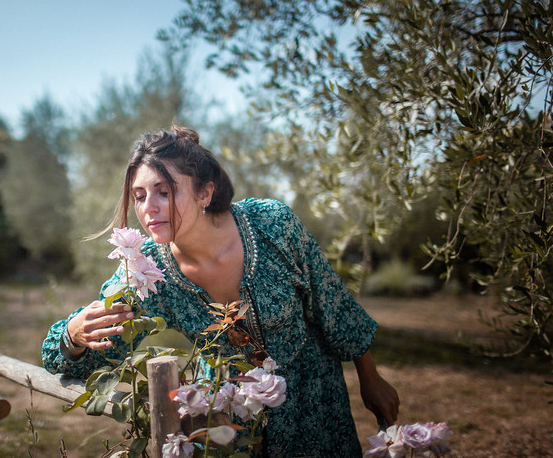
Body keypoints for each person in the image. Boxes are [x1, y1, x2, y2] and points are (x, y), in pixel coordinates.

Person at [42, 125, 399, 457]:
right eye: (139, 196)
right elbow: (94, 351)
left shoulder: (271, 223)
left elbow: (332, 304)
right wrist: (73, 337)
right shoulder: (145, 269)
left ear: (205, 192)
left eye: (164, 192)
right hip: (228, 423)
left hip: (317, 405)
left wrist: (370, 379)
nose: (148, 209)